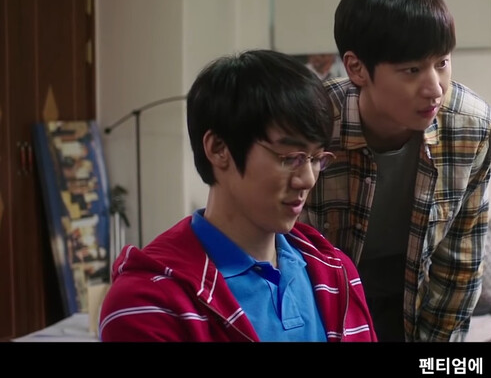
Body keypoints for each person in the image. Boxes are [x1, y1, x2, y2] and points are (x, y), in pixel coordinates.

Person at [98, 49, 377, 342]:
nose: (307, 179)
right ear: (219, 149)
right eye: (290, 157)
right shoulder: (148, 303)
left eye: (316, 158)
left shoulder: (335, 271)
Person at [299, 0, 491, 342]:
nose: (434, 88)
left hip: (411, 301)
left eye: (442, 63)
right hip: (320, 305)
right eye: (412, 70)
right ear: (357, 68)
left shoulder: (469, 126)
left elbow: (460, 263)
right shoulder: (313, 122)